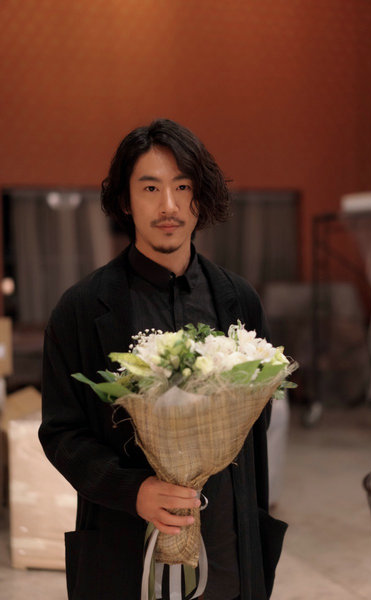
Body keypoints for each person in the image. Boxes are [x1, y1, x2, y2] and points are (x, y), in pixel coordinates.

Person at [39, 118, 287, 600]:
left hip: (227, 544)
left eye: (183, 186)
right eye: (150, 188)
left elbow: (256, 420)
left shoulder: (239, 299)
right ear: (125, 200)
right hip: (124, 544)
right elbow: (61, 432)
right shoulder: (82, 308)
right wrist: (132, 490)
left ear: (201, 197)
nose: (168, 205)